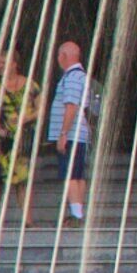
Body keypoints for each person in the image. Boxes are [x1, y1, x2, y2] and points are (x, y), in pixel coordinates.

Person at [0, 53, 40, 225]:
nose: (0, 66)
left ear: (15, 64)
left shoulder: (30, 85)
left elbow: (41, 108)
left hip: (21, 140)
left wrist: (26, 118)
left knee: (22, 180)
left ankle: (28, 221)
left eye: (3, 63)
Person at [46, 38, 92, 224]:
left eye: (58, 55)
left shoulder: (72, 77)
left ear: (63, 56)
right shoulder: (81, 75)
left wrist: (63, 134)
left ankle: (77, 215)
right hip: (80, 135)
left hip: (72, 135)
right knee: (78, 175)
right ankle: (78, 211)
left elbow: (71, 106)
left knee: (71, 175)